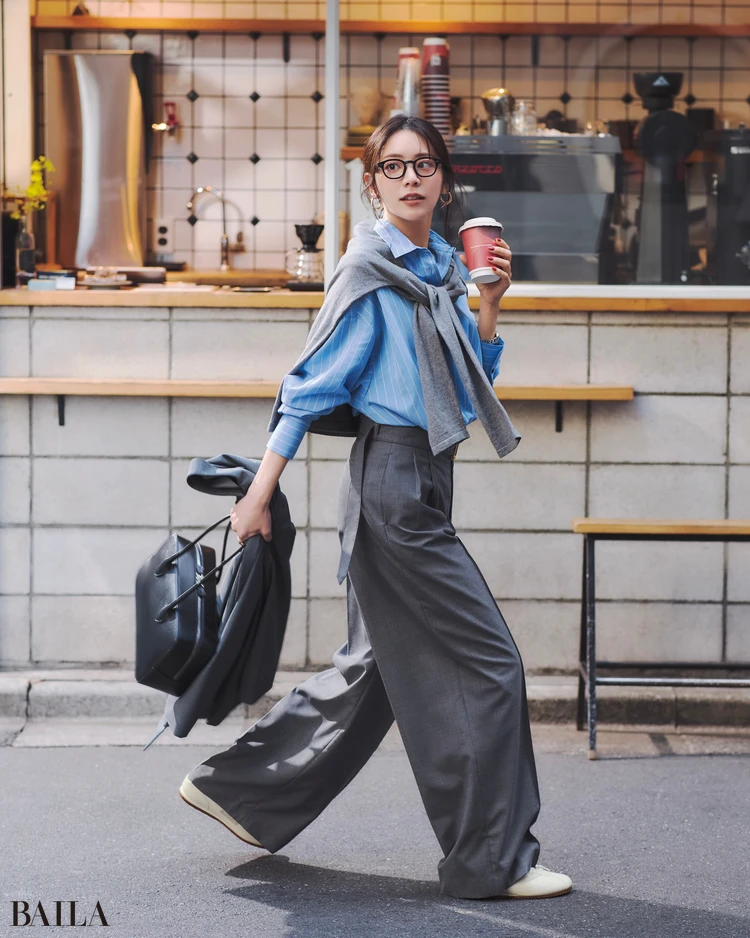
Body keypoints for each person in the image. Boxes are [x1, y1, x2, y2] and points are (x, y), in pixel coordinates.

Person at [178, 115, 572, 901]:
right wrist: (259, 492)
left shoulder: (439, 268)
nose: (411, 178)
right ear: (372, 184)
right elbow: (308, 387)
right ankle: (490, 862)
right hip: (391, 486)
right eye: (394, 167)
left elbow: (469, 382)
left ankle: (242, 793)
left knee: (376, 671)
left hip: (422, 478)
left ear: (446, 180)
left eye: (425, 164)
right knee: (490, 664)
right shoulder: (367, 273)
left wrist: (490, 305)